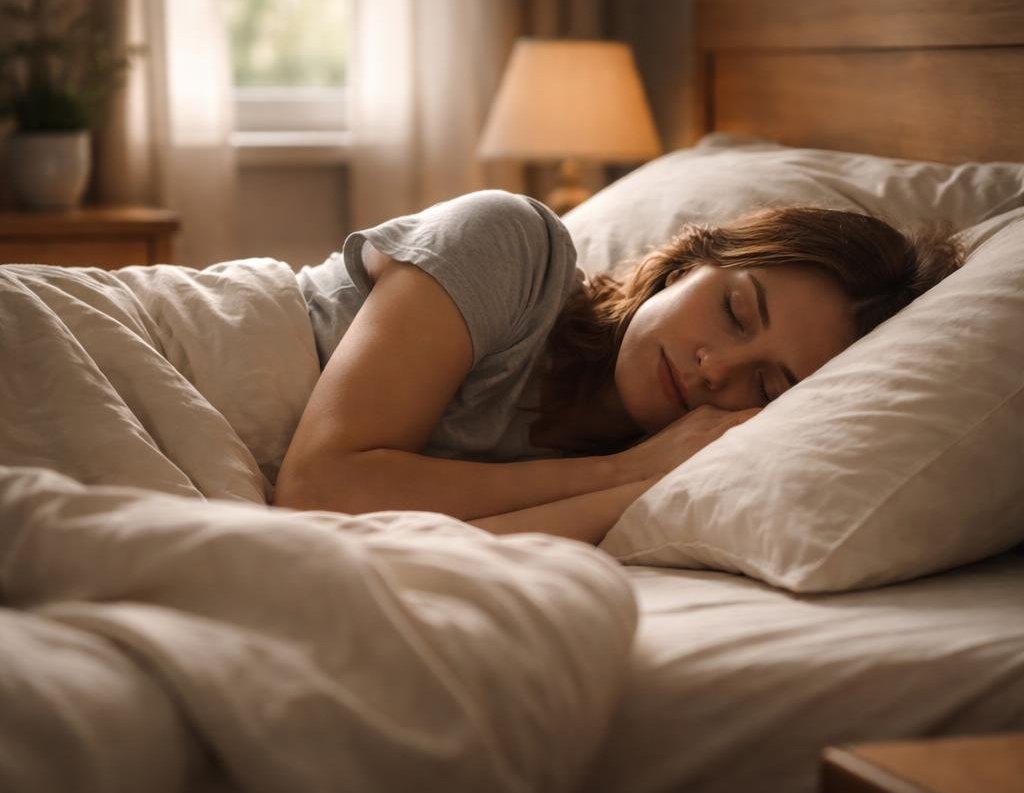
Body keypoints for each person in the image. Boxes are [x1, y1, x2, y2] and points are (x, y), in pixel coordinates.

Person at [274, 190, 961, 544]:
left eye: (768, 384)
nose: (715, 370)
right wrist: (622, 473)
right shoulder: (511, 245)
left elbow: (424, 549)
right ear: (694, 260)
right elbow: (317, 490)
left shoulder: (670, 480)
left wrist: (638, 479)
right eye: (735, 311)